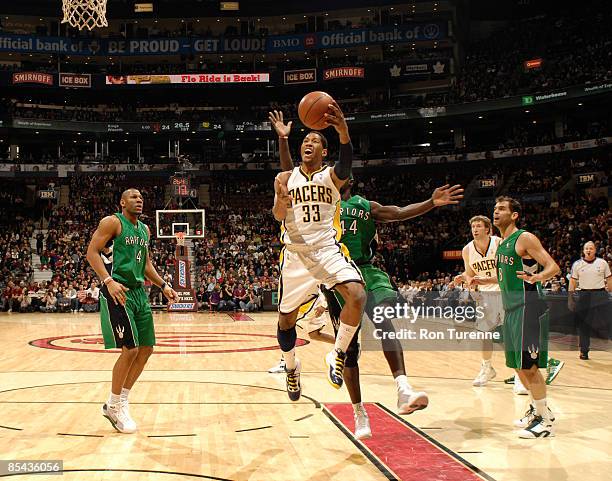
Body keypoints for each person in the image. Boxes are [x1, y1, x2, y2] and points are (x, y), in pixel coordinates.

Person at [335, 177, 463, 413]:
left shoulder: (366, 205)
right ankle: (358, 411)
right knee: (349, 350)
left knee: (385, 323)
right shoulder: (324, 206)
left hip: (364, 272)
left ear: (350, 180)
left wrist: (431, 202)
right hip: (334, 276)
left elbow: (398, 213)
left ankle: (403, 389)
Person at [270, 104, 366, 401]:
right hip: (296, 255)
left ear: (325, 151)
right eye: (305, 140)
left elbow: (346, 166)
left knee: (358, 295)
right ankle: (291, 367)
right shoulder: (284, 180)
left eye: (315, 141)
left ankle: (336, 353)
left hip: (326, 250)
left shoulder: (332, 177)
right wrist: (283, 204)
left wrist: (343, 132)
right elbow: (276, 215)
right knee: (285, 321)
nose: (308, 143)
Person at [86, 188, 178, 434]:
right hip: (117, 289)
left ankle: (120, 401)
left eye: (141, 197)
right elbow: (91, 252)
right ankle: (114, 404)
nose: (140, 200)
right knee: (130, 350)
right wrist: (108, 281)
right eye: (134, 197)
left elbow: (145, 264)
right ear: (122, 202)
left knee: (146, 349)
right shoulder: (112, 222)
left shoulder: (144, 230)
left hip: (139, 292)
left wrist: (163, 285)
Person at [473, 196, 560, 438]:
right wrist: (482, 280)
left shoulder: (524, 238)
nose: (495, 212)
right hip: (511, 310)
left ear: (514, 215)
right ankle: (538, 410)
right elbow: (502, 278)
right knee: (518, 367)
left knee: (530, 368)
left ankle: (546, 422)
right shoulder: (502, 245)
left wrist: (537, 278)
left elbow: (553, 267)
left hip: (528, 307)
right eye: (494, 208)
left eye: (501, 209)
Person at [568, 241, 612, 360]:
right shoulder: (577, 264)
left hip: (601, 294)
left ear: (595, 250)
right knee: (584, 325)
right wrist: (570, 298)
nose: (588, 250)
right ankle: (584, 351)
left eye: (591, 248)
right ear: (583, 250)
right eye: (586, 248)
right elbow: (572, 282)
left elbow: (609, 279)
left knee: (608, 321)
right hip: (584, 295)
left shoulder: (602, 263)